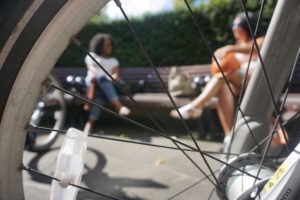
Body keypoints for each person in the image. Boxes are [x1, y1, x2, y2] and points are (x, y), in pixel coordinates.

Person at [170, 12, 264, 143]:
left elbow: (255, 49)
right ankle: (229, 136)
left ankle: (196, 106)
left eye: (236, 24)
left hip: (255, 83)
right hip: (236, 86)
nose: (233, 28)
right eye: (233, 25)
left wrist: (230, 49)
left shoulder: (259, 41)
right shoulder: (237, 45)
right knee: (224, 87)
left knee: (222, 77)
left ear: (247, 26)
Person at [84, 33, 131, 133]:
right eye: (107, 44)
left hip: (105, 85)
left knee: (100, 94)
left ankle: (90, 123)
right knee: (101, 79)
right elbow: (91, 68)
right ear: (99, 45)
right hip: (92, 83)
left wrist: (112, 78)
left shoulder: (114, 61)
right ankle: (119, 106)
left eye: (110, 44)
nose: (110, 47)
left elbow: (116, 75)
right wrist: (100, 76)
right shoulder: (91, 55)